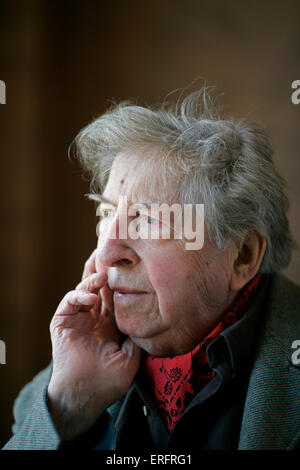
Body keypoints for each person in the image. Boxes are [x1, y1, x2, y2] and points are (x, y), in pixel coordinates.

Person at [3, 88, 300, 450]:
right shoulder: (53, 393)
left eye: (148, 220)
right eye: (107, 214)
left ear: (243, 256)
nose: (108, 251)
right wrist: (68, 405)